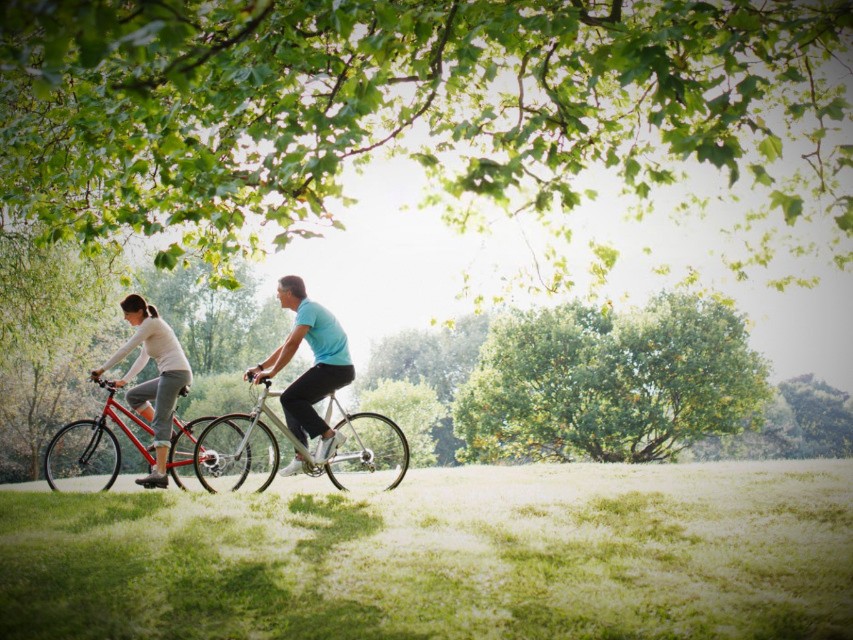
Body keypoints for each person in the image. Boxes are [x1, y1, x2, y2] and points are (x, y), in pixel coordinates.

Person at [246, 275, 355, 477]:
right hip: (332, 367)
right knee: (290, 400)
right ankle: (302, 455)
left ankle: (329, 435)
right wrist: (260, 366)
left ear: (289, 293)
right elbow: (286, 344)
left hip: (336, 368)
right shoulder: (304, 311)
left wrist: (272, 371)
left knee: (290, 397)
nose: (277, 296)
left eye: (278, 292)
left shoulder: (308, 309)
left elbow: (293, 345)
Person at [90, 294, 193, 489]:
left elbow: (126, 348)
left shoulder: (151, 323)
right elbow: (142, 358)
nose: (125, 318)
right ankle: (165, 434)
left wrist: (101, 369)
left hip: (175, 374)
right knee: (133, 396)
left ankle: (160, 473)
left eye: (127, 314)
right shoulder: (149, 326)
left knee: (161, 420)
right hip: (170, 374)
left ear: (139, 311)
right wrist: (124, 380)